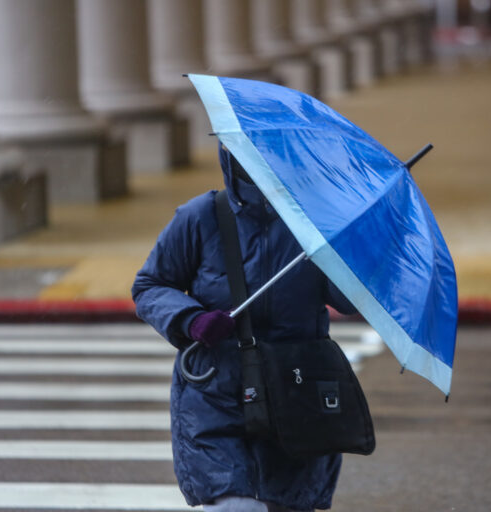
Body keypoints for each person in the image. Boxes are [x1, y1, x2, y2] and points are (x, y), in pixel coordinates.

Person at [132, 144, 356, 512]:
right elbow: (151, 285)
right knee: (235, 506)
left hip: (297, 393)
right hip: (216, 395)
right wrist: (192, 319)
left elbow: (347, 300)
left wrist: (348, 249)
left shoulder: (314, 225)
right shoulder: (200, 217)